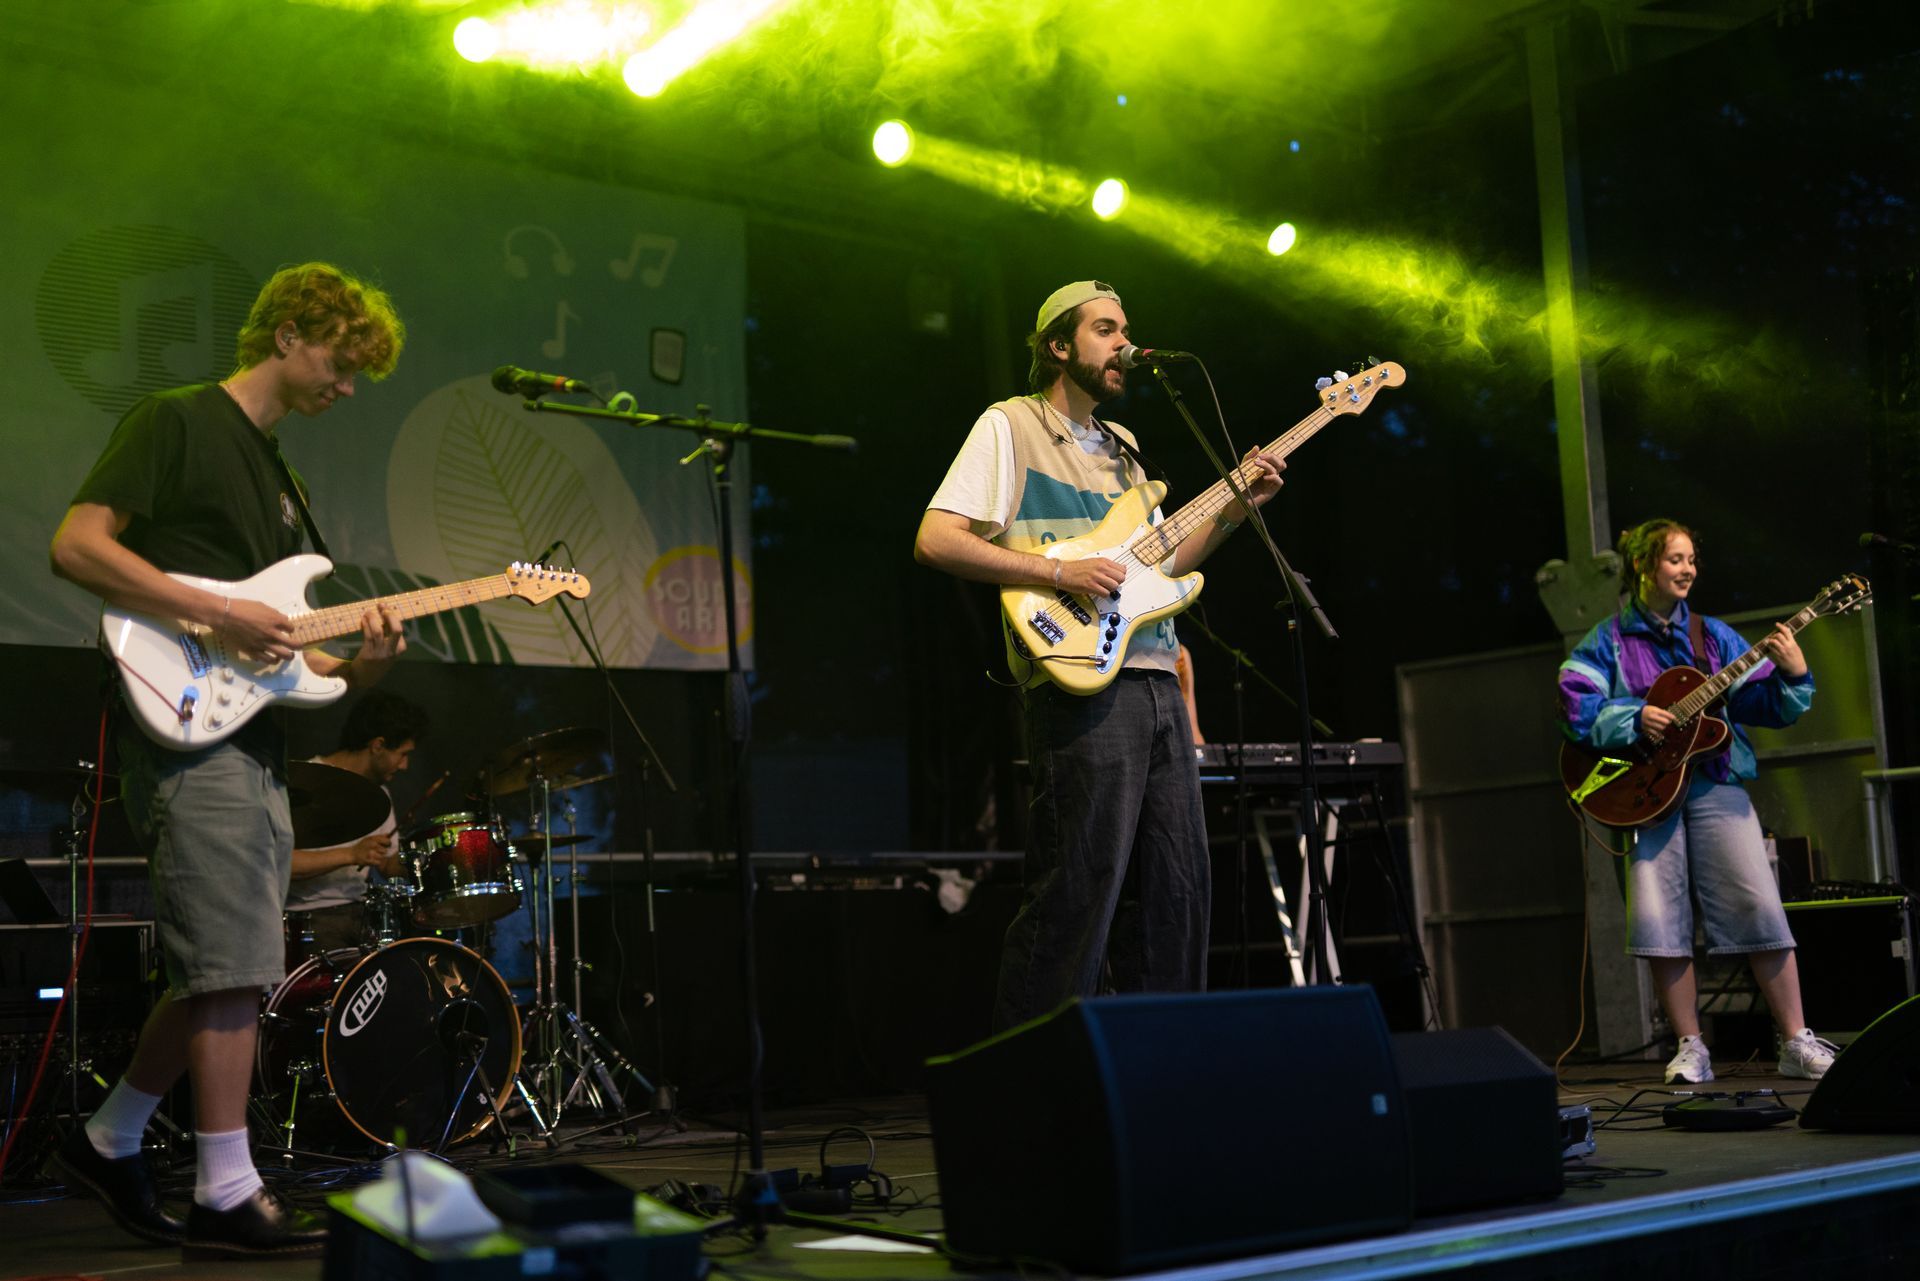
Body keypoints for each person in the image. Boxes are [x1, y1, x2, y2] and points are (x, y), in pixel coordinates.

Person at [47, 262, 407, 1257]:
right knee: (236, 966)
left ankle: (110, 1137)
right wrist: (216, 608)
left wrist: (365, 669)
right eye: (342, 362)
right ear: (289, 333)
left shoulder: (281, 480)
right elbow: (76, 547)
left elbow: (298, 659)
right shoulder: (176, 421)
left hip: (254, 742)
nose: (348, 387)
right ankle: (224, 1191)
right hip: (186, 730)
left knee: (225, 965)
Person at [914, 279, 1283, 1030]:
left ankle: (1160, 1078)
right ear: (1058, 345)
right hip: (1078, 687)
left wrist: (1241, 502)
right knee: (1079, 890)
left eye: (1126, 330)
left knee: (1178, 894)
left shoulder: (1127, 451)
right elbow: (936, 538)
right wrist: (1056, 570)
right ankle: (1030, 1088)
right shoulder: (1010, 425)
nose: (1124, 345)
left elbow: (1162, 569)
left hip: (1152, 676)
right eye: (1106, 330)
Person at [1557, 518, 1836, 1083]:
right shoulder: (1607, 640)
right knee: (1660, 917)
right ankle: (1690, 1046)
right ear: (1643, 566)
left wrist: (1796, 673)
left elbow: (1763, 704)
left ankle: (1796, 1041)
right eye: (1675, 560)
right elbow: (1574, 702)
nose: (1687, 570)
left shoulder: (1717, 638)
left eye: (1691, 560)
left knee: (1760, 904)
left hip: (1715, 783)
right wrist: (1634, 716)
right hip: (1643, 793)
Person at [285, 690, 430, 956]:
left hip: (363, 918)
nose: (405, 765)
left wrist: (425, 861)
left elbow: (385, 864)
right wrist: (351, 854)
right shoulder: (303, 783)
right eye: (402, 754)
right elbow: (282, 863)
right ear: (378, 745)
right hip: (307, 922)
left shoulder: (379, 794)